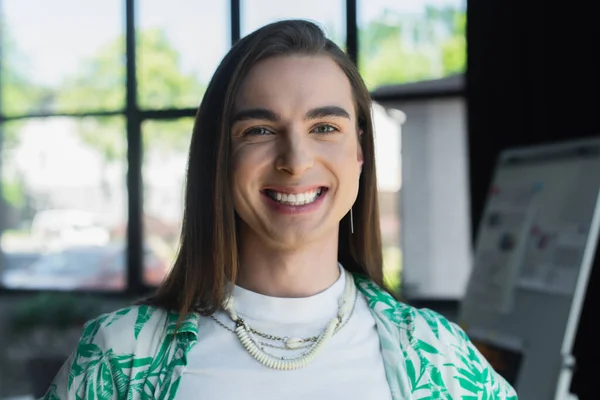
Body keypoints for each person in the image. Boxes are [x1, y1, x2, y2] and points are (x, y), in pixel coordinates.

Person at [44, 19, 517, 399]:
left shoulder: (439, 357)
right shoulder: (119, 358)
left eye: (325, 127)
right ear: (219, 159)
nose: (295, 161)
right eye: (259, 131)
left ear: (360, 154)